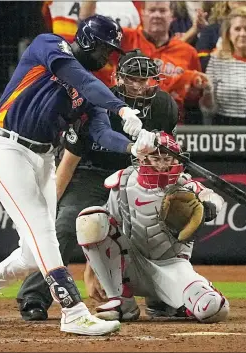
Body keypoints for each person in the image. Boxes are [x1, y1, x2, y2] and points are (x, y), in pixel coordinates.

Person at [0, 15, 157, 336]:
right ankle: (72, 311)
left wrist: (133, 148)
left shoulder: (93, 88)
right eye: (103, 48)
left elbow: (100, 132)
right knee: (43, 230)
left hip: (43, 157)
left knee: (35, 251)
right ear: (86, 40)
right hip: (4, 146)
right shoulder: (49, 44)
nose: (106, 56)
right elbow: (80, 80)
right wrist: (123, 109)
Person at [16, 49, 179, 321]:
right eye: (132, 79)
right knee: (65, 225)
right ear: (118, 78)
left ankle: (161, 297)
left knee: (158, 225)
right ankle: (35, 295)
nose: (139, 86)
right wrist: (50, 206)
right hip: (90, 173)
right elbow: (69, 160)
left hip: (137, 175)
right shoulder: (97, 102)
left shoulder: (164, 106)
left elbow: (167, 156)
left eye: (146, 79)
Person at [76, 132, 230, 323]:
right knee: (90, 218)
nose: (163, 164)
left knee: (213, 309)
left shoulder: (185, 185)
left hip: (172, 267)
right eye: (156, 158)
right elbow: (104, 227)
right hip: (130, 263)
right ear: (142, 158)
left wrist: (209, 207)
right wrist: (90, 272)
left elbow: (213, 198)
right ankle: (121, 302)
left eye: (167, 158)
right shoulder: (123, 181)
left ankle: (172, 303)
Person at [79, 1, 213, 125]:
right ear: (142, 13)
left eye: (162, 10)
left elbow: (194, 102)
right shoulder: (125, 38)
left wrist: (201, 89)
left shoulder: (187, 52)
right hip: (124, 122)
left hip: (170, 128)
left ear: (172, 15)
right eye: (152, 10)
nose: (156, 15)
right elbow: (88, 25)